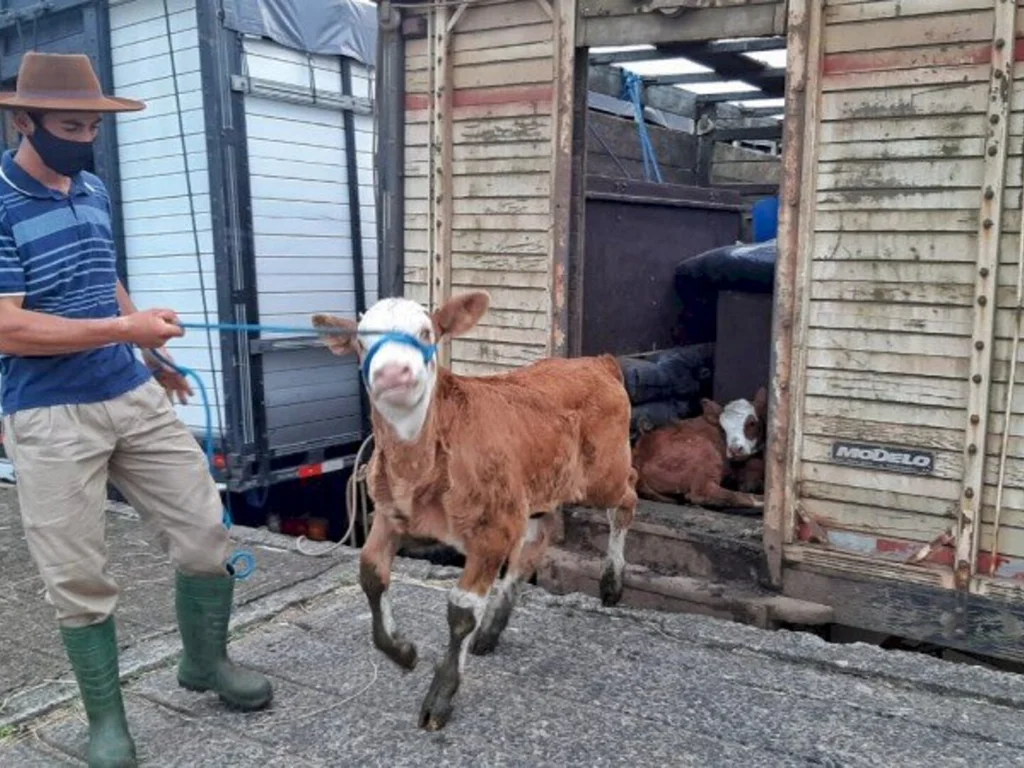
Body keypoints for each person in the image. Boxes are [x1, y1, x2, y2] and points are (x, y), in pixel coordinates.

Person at [0, 52, 272, 767]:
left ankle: (204, 664)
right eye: (69, 125)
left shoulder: (91, 189)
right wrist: (128, 330)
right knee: (79, 577)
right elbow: (7, 327)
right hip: (49, 416)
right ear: (22, 120)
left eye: (93, 126)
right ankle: (107, 723)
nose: (84, 138)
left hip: (131, 391)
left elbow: (104, 276)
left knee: (205, 535)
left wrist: (149, 354)